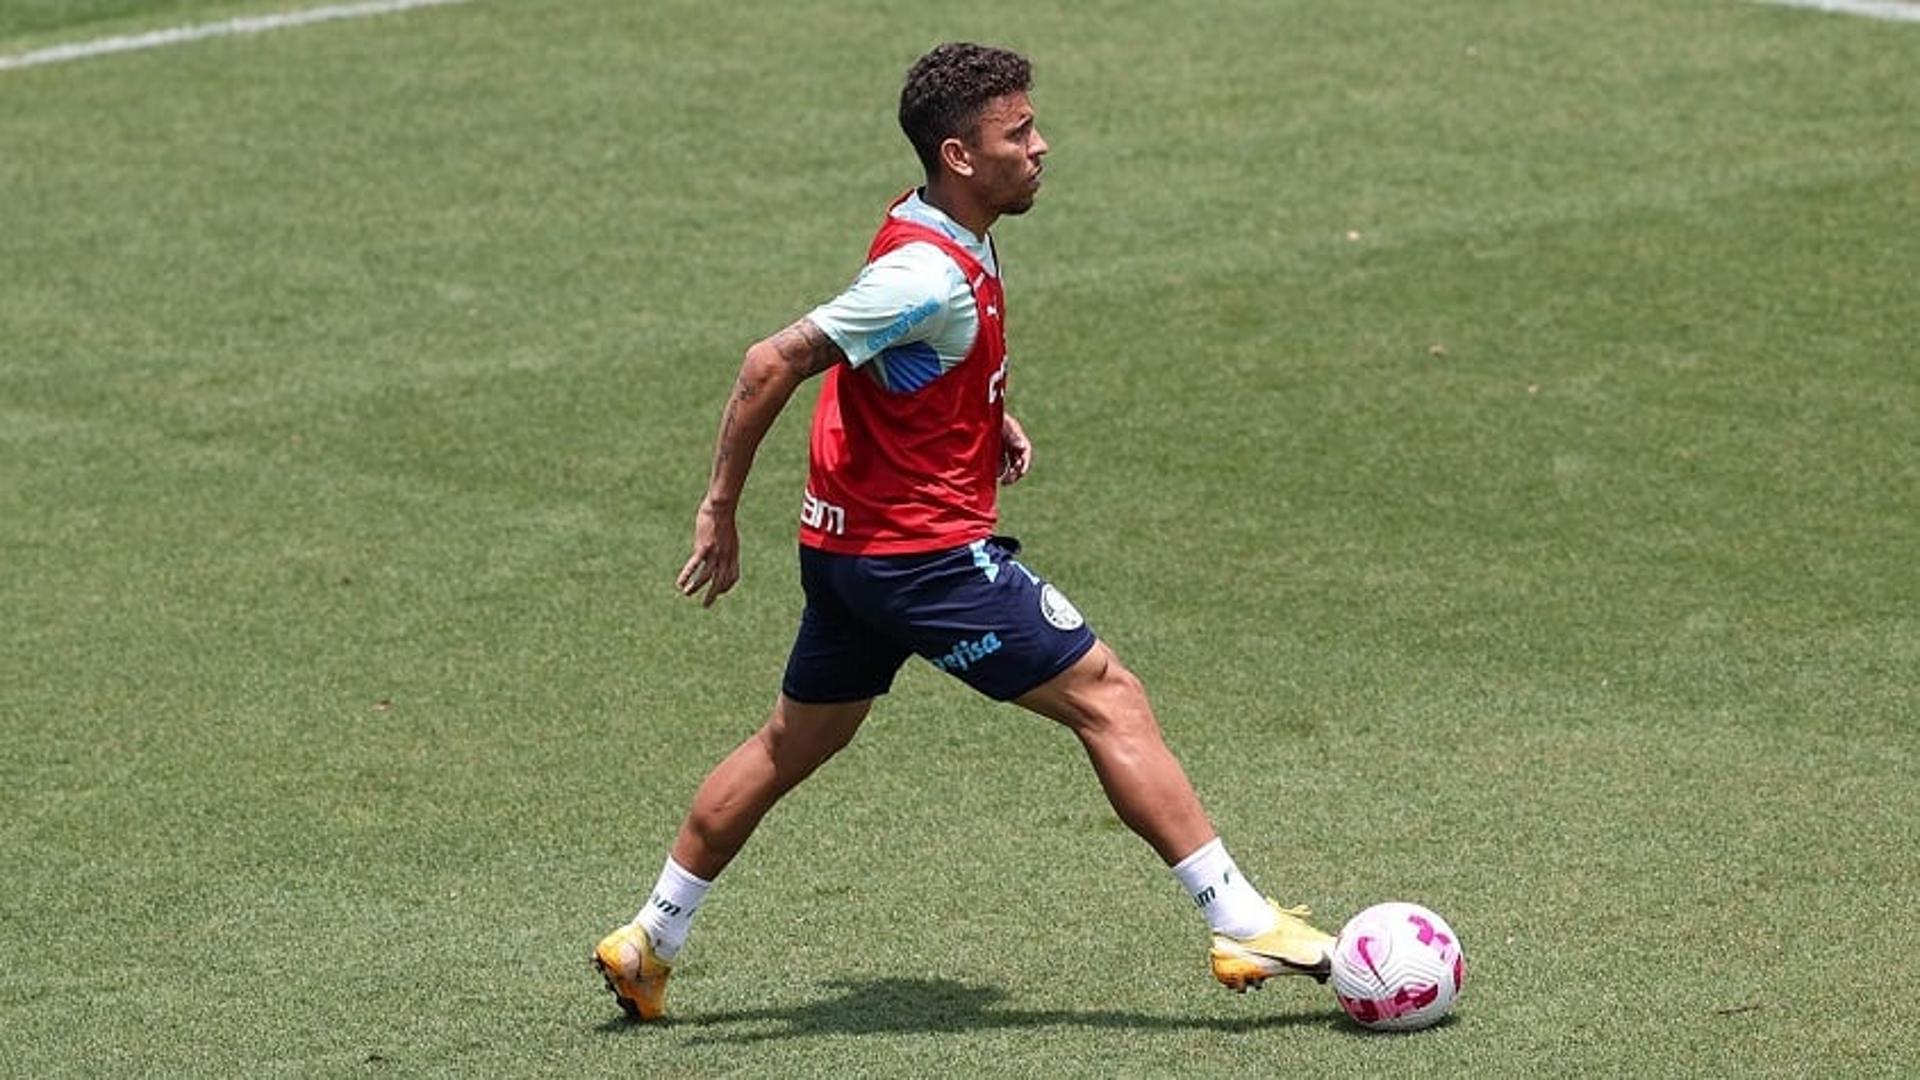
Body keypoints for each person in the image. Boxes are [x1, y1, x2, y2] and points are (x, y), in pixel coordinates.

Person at [593, 42, 1332, 1022]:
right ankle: (1238, 918)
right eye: (1017, 134)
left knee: (790, 744)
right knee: (1109, 696)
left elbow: (904, 366)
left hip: (851, 556)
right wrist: (718, 505)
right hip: (925, 561)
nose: (1040, 146)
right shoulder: (919, 274)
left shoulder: (937, 221)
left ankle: (650, 938)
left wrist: (986, 416)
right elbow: (770, 361)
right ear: (960, 153)